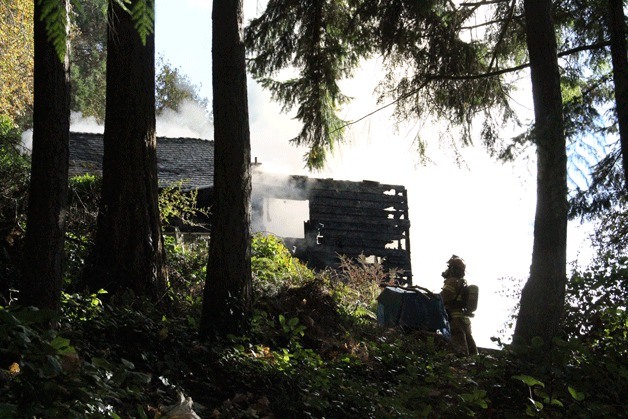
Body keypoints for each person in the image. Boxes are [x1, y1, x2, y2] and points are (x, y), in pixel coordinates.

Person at [439, 255, 478, 355]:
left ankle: (463, 367)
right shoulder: (461, 283)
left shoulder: (452, 282)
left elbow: (443, 298)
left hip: (454, 319)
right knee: (470, 345)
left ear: (452, 269)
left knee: (459, 349)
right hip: (464, 320)